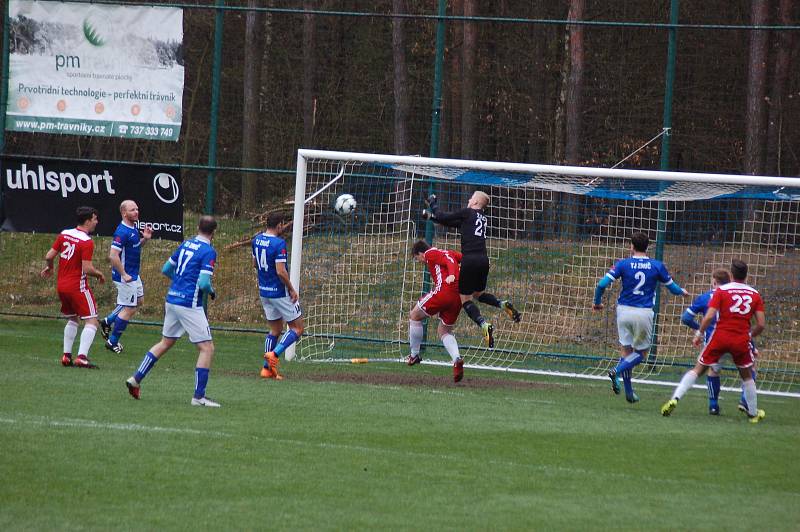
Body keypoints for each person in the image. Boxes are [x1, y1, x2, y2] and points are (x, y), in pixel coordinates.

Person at [125, 216, 220, 407]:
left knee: (165, 342)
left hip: (172, 299)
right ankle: (198, 397)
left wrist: (179, 282)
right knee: (207, 348)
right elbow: (203, 283)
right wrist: (211, 291)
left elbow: (166, 268)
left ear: (198, 228)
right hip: (188, 304)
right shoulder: (208, 251)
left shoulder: (186, 244)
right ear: (213, 232)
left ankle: (135, 379)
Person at [662, 259, 766, 423]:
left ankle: (675, 398)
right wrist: (749, 336)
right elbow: (761, 324)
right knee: (747, 376)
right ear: (746, 276)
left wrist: (699, 333)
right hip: (740, 340)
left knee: (698, 369)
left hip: (719, 337)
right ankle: (753, 414)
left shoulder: (721, 291)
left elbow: (709, 316)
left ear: (731, 275)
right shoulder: (755, 294)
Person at [592, 232, 688, 403]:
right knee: (641, 353)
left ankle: (629, 393)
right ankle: (616, 370)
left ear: (632, 246)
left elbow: (601, 284)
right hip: (643, 312)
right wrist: (682, 292)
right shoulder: (656, 265)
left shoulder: (623, 264)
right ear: (648, 246)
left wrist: (597, 302)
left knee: (626, 351)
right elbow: (672, 288)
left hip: (623, 311)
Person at [423, 190, 521, 348]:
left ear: (475, 203)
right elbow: (452, 224)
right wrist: (431, 217)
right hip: (484, 261)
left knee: (466, 300)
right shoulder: (482, 218)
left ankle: (484, 324)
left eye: (471, 198)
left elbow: (444, 217)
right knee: (478, 294)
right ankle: (502, 304)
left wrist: (433, 203)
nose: (468, 200)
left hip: (469, 260)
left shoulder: (468, 212)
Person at [40, 206, 106, 368]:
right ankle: (82, 357)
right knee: (92, 321)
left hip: (62, 285)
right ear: (88, 220)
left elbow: (49, 256)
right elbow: (87, 269)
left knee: (73, 319)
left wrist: (50, 267)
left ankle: (66, 356)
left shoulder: (65, 234)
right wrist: (99, 274)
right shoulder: (86, 241)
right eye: (95, 219)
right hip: (77, 286)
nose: (97, 222)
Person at [252, 213, 304, 380]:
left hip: (264, 291)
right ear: (279, 225)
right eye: (282, 225)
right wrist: (291, 289)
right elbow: (280, 271)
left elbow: (255, 264)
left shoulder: (256, 240)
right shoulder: (279, 243)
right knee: (297, 328)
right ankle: (274, 354)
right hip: (279, 292)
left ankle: (266, 369)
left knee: (275, 330)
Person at [405, 240, 466, 382]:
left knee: (414, 315)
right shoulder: (448, 251)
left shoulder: (430, 253)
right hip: (458, 296)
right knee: (444, 331)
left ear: (420, 253)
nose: (420, 261)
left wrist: (451, 274)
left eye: (417, 258)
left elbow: (448, 261)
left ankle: (414, 355)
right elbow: (463, 258)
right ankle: (457, 359)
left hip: (444, 291)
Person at [99, 200, 153, 353]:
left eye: (137, 209)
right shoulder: (121, 232)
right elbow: (113, 256)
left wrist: (145, 239)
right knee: (129, 308)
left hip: (133, 274)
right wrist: (123, 273)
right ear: (124, 213)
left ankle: (108, 321)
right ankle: (112, 341)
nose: (136, 212)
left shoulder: (134, 228)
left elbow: (135, 247)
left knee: (139, 301)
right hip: (125, 277)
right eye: (132, 210)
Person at [680, 269, 730, 415]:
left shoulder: (705, 297)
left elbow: (685, 318)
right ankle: (745, 401)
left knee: (711, 371)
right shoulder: (733, 297)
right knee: (748, 370)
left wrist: (700, 329)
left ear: (714, 282)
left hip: (715, 341)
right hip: (735, 340)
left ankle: (713, 405)